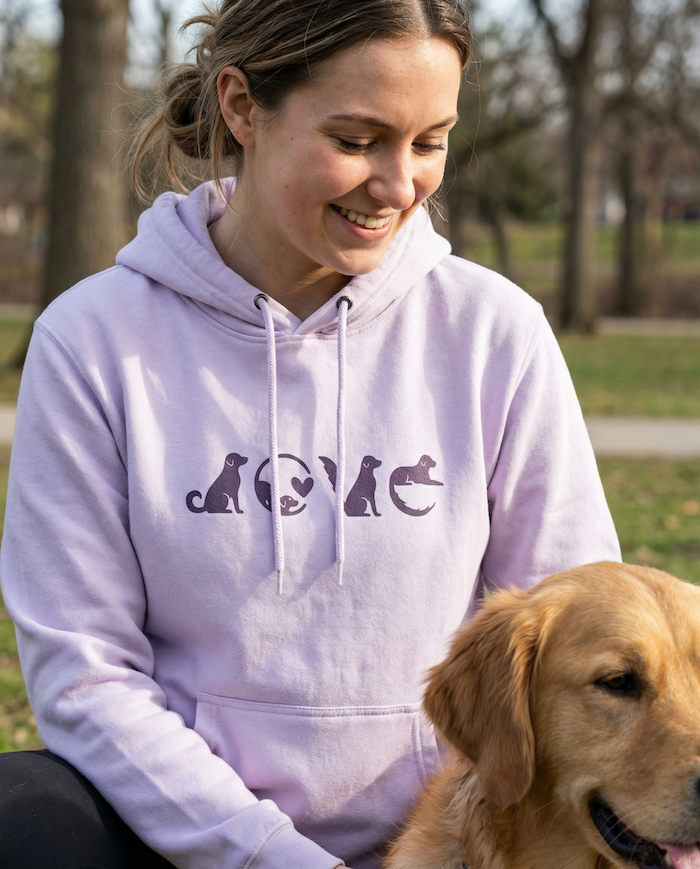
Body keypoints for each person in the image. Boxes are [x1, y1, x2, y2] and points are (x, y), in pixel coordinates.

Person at [0, 0, 621, 866]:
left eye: (430, 142)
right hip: (181, 840)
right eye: (359, 139)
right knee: (19, 814)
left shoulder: (494, 332)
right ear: (242, 106)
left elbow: (579, 630)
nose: (399, 184)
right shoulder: (93, 341)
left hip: (450, 836)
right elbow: (85, 675)